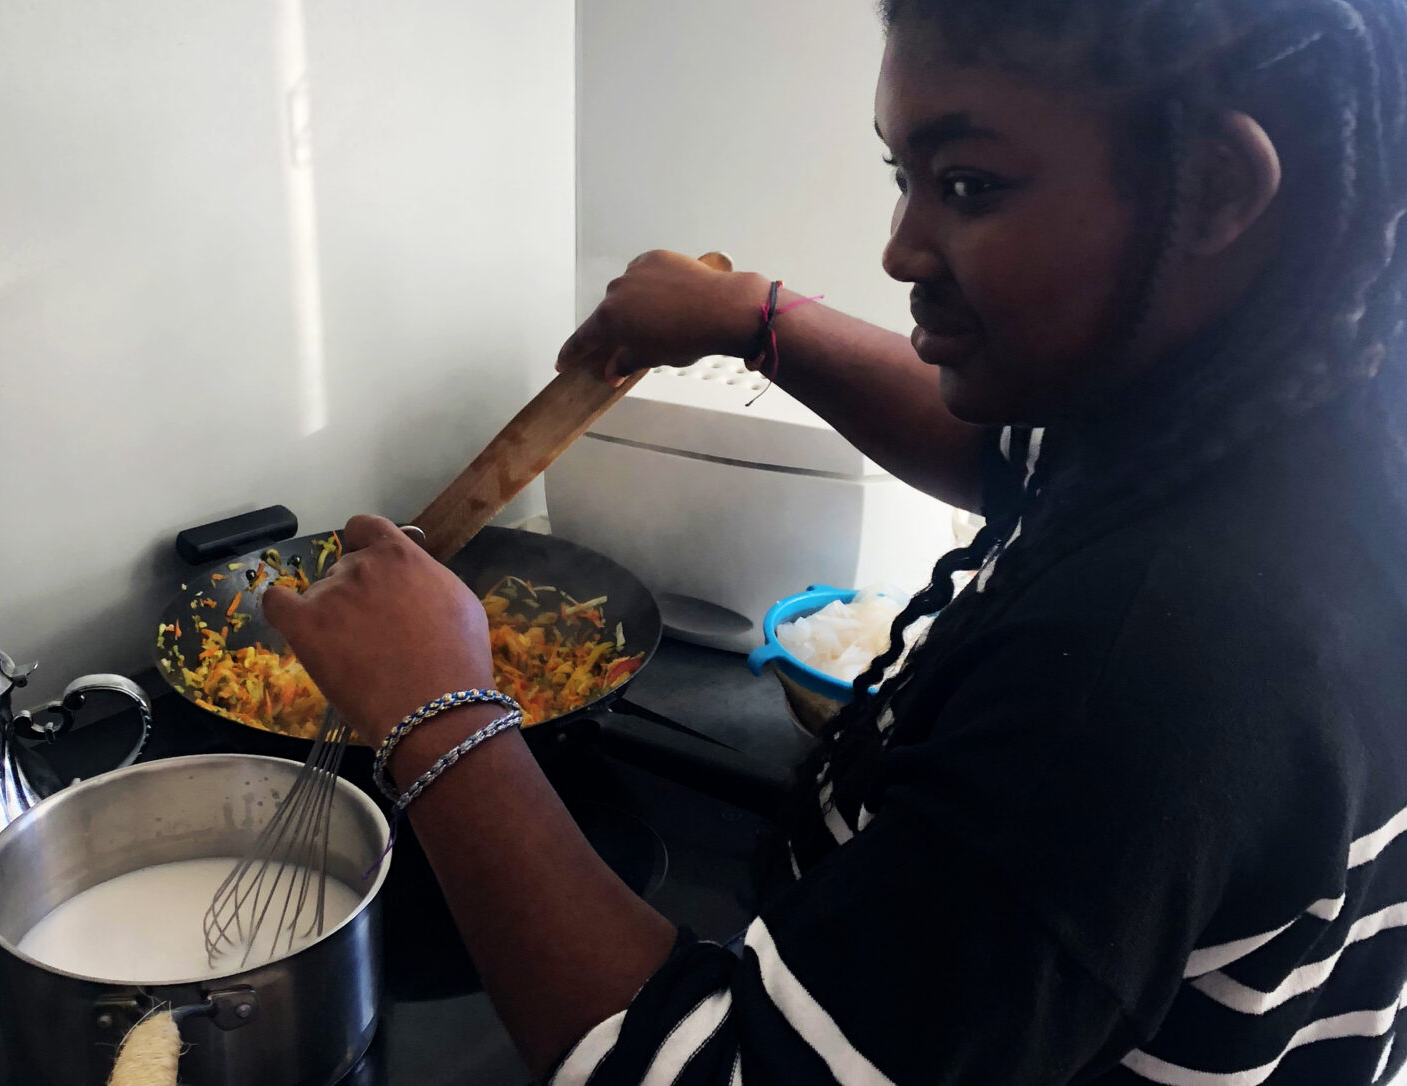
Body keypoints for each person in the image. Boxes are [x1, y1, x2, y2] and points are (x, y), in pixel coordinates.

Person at [263, 0, 1407, 1081]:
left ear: (1217, 187)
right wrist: (755, 319)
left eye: (969, 184)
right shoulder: (1284, 433)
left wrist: (436, 711)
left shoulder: (1158, 658)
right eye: (904, 178)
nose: (901, 250)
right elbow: (1009, 460)